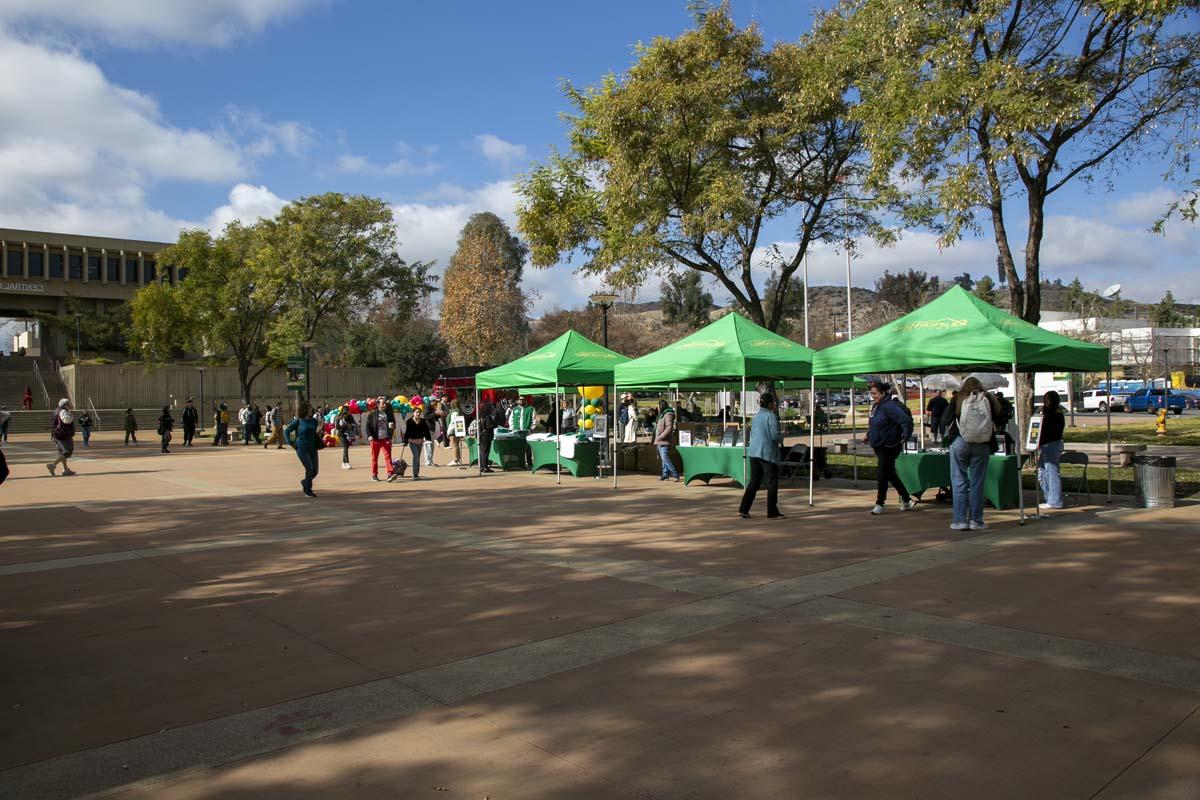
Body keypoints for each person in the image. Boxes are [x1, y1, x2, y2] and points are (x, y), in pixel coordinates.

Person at [945, 376, 1002, 531]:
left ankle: (960, 520)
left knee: (959, 481)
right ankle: (976, 520)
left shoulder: (958, 398)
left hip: (960, 441)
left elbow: (944, 420)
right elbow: (999, 418)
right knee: (977, 483)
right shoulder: (988, 399)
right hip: (982, 443)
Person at [863, 380, 916, 515]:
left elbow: (905, 420)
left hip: (889, 445)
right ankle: (906, 499)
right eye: (871, 393)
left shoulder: (889, 406)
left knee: (882, 473)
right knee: (890, 473)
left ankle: (880, 503)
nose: (873, 396)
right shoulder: (876, 406)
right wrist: (869, 435)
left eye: (875, 393)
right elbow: (874, 424)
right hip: (879, 444)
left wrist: (905, 436)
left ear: (883, 393)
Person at [738, 392, 784, 519]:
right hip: (767, 453)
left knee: (754, 482)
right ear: (769, 404)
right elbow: (774, 436)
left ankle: (744, 509)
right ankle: (772, 511)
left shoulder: (755, 417)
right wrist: (782, 436)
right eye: (773, 403)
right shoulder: (771, 417)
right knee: (772, 481)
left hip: (754, 452)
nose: (774, 405)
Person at [1037, 390, 1066, 511]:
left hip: (1050, 444)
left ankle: (1054, 500)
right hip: (1050, 444)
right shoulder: (1058, 412)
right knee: (1043, 470)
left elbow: (1046, 430)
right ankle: (1049, 497)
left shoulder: (1051, 414)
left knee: (1051, 471)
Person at [284, 402, 320, 498]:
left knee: (315, 471)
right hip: (302, 448)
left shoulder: (314, 421)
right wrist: (291, 443)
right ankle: (308, 490)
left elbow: (314, 434)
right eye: (310, 408)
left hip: (313, 448)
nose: (311, 409)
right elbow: (286, 431)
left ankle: (305, 482)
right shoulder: (298, 421)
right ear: (305, 409)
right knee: (309, 469)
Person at [366, 400, 395, 482]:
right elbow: (367, 426)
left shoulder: (389, 414)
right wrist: (369, 435)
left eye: (385, 403)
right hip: (375, 439)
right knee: (374, 458)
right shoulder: (372, 414)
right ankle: (374, 475)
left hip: (386, 438)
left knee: (388, 457)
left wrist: (392, 428)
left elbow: (393, 424)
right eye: (383, 403)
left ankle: (390, 474)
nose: (384, 405)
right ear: (378, 404)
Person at [47, 398, 77, 477]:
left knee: (62, 453)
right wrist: (71, 416)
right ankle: (53, 465)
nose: (69, 406)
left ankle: (65, 469)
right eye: (68, 404)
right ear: (64, 405)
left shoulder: (56, 410)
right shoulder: (63, 411)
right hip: (64, 435)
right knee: (67, 452)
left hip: (57, 434)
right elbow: (66, 420)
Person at [403, 406, 433, 481]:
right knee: (416, 456)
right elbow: (407, 432)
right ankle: (414, 474)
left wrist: (428, 439)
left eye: (419, 412)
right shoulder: (409, 421)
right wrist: (406, 441)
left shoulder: (423, 421)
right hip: (412, 441)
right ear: (413, 413)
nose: (418, 413)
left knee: (417, 457)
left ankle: (416, 473)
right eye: (416, 412)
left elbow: (426, 430)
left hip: (420, 441)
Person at [653, 400, 679, 482]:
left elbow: (669, 428)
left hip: (664, 440)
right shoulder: (662, 415)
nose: (657, 407)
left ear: (661, 406)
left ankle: (675, 474)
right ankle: (665, 475)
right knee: (663, 459)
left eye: (658, 406)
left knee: (665, 458)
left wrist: (660, 436)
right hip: (660, 440)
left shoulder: (668, 414)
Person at [478, 401, 498, 474]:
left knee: (482, 451)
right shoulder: (488, 417)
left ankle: (482, 466)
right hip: (486, 435)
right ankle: (485, 467)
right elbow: (488, 426)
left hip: (481, 435)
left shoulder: (480, 416)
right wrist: (495, 424)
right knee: (485, 451)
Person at [446, 401, 466, 467]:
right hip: (458, 430)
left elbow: (452, 422)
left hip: (453, 430)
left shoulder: (454, 412)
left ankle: (456, 460)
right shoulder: (459, 411)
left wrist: (448, 431)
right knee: (456, 445)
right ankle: (458, 459)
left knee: (455, 445)